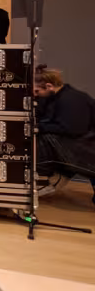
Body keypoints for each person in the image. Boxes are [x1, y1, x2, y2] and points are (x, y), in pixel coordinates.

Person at [32, 66, 95, 203]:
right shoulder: (53, 97)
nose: (35, 94)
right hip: (80, 143)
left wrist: (37, 127)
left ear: (49, 86)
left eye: (37, 91)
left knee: (44, 137)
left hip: (86, 145)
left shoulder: (71, 100)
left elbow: (73, 129)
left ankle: (43, 176)